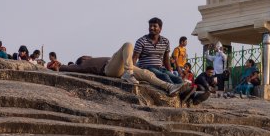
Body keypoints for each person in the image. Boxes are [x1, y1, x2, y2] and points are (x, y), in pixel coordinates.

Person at [60, 42, 190, 97]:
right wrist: (59, 67)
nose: (88, 55)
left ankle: (169, 87)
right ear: (83, 59)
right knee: (128, 44)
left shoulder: (96, 58)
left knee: (147, 73)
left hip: (119, 66)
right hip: (108, 69)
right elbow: (67, 68)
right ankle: (129, 73)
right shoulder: (84, 63)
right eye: (85, 56)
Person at [133, 17, 182, 86]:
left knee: (177, 79)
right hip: (146, 67)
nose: (152, 28)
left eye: (155, 26)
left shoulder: (165, 41)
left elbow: (166, 60)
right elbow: (134, 58)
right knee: (164, 76)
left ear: (160, 29)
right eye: (150, 26)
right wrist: (133, 72)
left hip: (160, 68)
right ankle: (173, 89)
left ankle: (188, 94)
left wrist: (170, 71)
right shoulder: (142, 41)